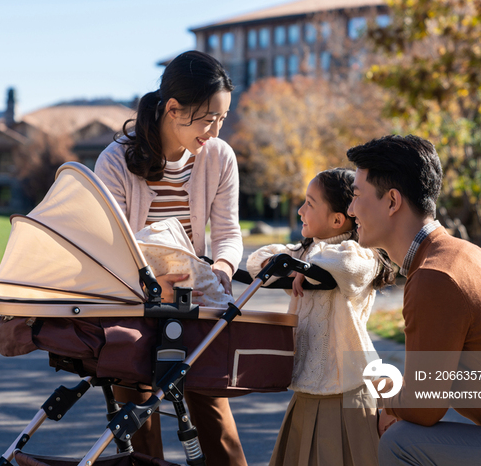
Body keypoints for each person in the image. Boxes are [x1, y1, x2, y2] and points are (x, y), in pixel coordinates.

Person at [94, 50, 246, 465]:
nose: (215, 130)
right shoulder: (116, 161)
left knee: (214, 418)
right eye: (208, 118)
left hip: (192, 303)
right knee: (138, 422)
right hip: (133, 305)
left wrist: (220, 268)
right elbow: (110, 249)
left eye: (223, 118)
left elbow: (229, 234)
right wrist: (150, 285)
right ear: (174, 109)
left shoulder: (219, 157)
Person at [346, 134, 481, 465]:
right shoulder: (466, 256)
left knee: (401, 443)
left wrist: (386, 396)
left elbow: (422, 408)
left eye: (356, 196)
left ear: (392, 202)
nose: (350, 209)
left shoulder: (435, 276)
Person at [246, 168, 395, 466]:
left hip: (348, 391)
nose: (300, 210)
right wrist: (292, 265)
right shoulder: (306, 251)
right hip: (305, 389)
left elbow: (348, 265)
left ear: (338, 220)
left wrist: (304, 267)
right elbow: (255, 262)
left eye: (310, 204)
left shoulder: (361, 253)